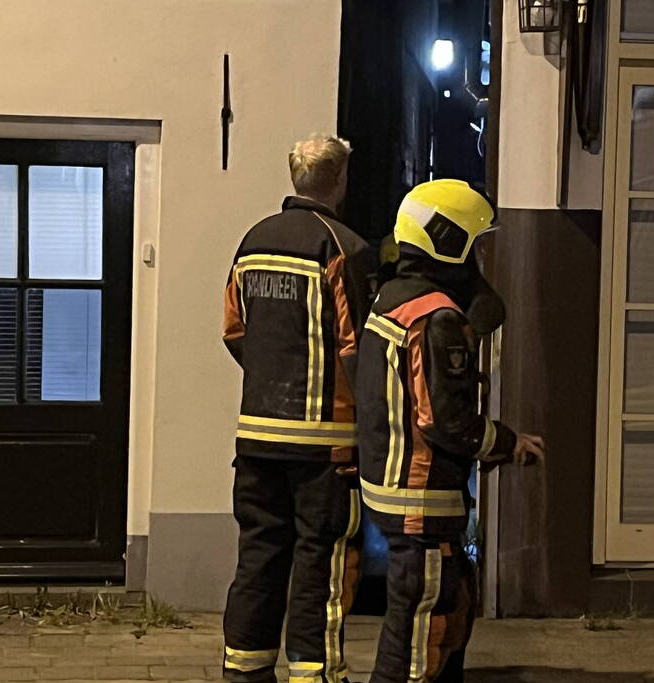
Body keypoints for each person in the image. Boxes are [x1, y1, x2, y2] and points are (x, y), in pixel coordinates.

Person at [357, 179, 545, 682]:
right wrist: (506, 442)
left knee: (434, 609)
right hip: (421, 496)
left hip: (393, 486)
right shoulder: (436, 318)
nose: (479, 259)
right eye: (475, 244)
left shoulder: (391, 297)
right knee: (426, 626)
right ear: (448, 240)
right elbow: (444, 419)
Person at [221, 134, 374, 683]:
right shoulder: (344, 248)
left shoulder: (252, 241)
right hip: (323, 444)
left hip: (256, 436)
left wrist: (271, 379)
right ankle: (315, 674)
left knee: (258, 556)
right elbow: (357, 348)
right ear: (339, 181)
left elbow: (233, 330)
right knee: (322, 563)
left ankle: (243, 670)